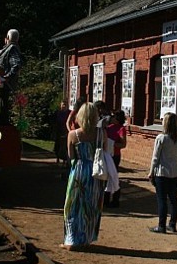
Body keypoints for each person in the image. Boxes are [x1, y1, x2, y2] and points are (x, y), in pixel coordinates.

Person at [62, 102, 105, 250]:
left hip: (79, 171)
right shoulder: (101, 133)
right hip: (95, 173)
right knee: (91, 206)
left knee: (72, 206)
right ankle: (86, 238)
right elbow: (104, 153)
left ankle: (71, 239)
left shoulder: (73, 135)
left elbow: (71, 157)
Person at [147, 112, 177, 234]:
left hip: (162, 171)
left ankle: (161, 225)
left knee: (162, 200)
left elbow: (155, 157)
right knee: (173, 199)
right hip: (174, 171)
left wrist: (151, 172)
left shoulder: (161, 138)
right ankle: (172, 224)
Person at [0, 29, 21, 122]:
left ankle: (1, 121)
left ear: (8, 38)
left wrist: (6, 77)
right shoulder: (4, 50)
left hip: (5, 85)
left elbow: (16, 65)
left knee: (3, 105)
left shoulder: (12, 49)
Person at [104, 110, 127, 208]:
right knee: (105, 176)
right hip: (106, 154)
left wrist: (112, 144)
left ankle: (115, 199)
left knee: (113, 176)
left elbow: (123, 144)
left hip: (115, 155)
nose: (111, 118)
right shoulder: (108, 128)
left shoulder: (121, 129)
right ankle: (105, 199)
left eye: (113, 117)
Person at [53, 99, 71, 166]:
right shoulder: (57, 113)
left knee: (66, 146)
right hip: (59, 131)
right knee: (58, 145)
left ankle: (65, 160)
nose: (64, 106)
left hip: (66, 131)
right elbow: (55, 123)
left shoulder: (69, 113)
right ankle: (57, 158)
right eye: (62, 104)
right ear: (60, 105)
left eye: (65, 105)